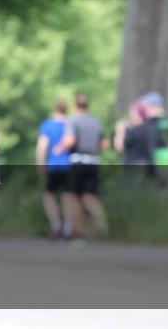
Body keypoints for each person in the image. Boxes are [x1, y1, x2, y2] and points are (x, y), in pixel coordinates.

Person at [57, 93, 109, 242]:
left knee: (72, 197)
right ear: (88, 106)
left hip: (78, 162)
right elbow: (105, 144)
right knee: (90, 196)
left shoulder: (73, 120)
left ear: (76, 106)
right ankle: (103, 227)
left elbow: (70, 140)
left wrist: (59, 148)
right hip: (93, 162)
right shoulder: (96, 122)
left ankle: (79, 233)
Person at [36, 100, 72, 239]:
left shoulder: (48, 125)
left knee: (49, 196)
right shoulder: (70, 125)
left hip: (54, 165)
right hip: (69, 165)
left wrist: (41, 164)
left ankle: (57, 226)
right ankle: (69, 228)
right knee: (68, 197)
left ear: (55, 109)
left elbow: (42, 147)